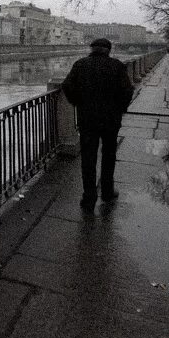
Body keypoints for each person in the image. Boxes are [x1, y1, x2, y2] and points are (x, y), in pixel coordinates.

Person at [63, 38, 134, 210]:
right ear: (108, 50)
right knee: (109, 155)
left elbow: (67, 86)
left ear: (92, 49)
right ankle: (107, 192)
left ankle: (89, 198)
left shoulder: (80, 64)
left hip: (87, 120)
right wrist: (120, 109)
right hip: (111, 120)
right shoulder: (117, 65)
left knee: (88, 159)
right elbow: (127, 90)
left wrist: (78, 102)